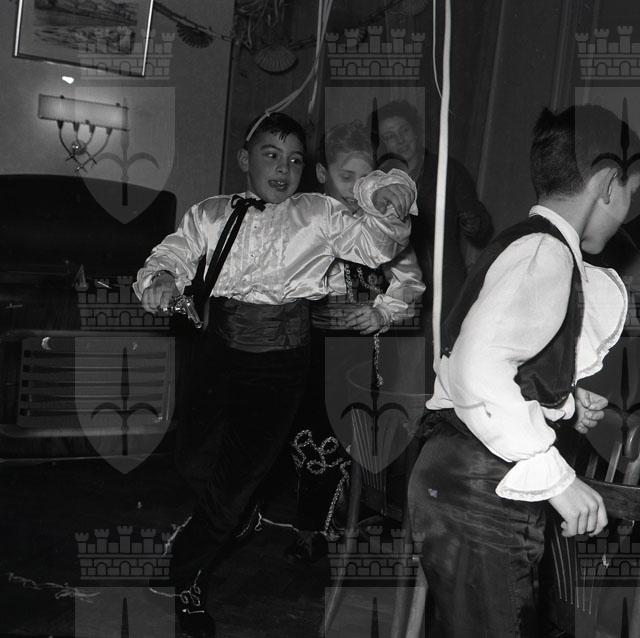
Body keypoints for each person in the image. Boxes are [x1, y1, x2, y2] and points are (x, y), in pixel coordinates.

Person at [134, 111, 416, 636]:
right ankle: (236, 515)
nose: (282, 168)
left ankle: (188, 575)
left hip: (280, 364)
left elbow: (378, 246)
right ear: (245, 159)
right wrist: (161, 278)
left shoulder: (320, 214)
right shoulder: (211, 213)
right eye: (270, 155)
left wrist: (386, 194)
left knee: (234, 481)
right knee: (194, 461)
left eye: (293, 160)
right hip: (216, 355)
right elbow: (173, 252)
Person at [407, 104, 640, 637]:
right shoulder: (546, 254)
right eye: (633, 193)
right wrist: (555, 476)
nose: (630, 211)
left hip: (462, 473)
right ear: (607, 184)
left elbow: (496, 357)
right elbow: (478, 366)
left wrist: (562, 402)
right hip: (482, 484)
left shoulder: (527, 242)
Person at [286, 121, 425, 563]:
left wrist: (382, 311)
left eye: (365, 178)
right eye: (346, 177)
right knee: (301, 432)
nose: (356, 188)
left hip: (356, 348)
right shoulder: (304, 219)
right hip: (305, 343)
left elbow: (410, 282)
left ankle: (321, 527)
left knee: (336, 432)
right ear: (322, 173)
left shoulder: (381, 227)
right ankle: (310, 520)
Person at [374, 99, 493, 324]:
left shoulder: (448, 170)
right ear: (383, 144)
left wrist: (473, 221)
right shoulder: (378, 182)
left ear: (416, 131)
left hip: (444, 285)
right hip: (397, 286)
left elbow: (481, 228)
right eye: (390, 136)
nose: (400, 140)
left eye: (404, 130)